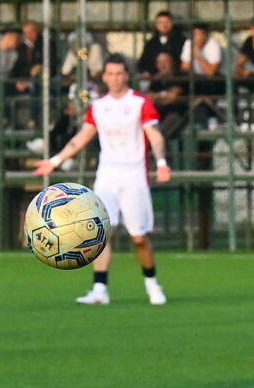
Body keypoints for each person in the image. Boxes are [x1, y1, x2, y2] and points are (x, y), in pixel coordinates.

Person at [33, 54, 171, 306]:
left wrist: (162, 163)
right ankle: (99, 289)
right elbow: (81, 138)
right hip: (106, 175)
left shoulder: (140, 103)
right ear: (104, 76)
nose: (114, 78)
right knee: (100, 233)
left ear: (126, 75)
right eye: (110, 73)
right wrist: (54, 161)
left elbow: (155, 136)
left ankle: (152, 283)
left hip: (134, 175)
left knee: (138, 237)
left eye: (119, 73)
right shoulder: (98, 106)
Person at [137, 10, 185, 79]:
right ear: (156, 25)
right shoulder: (151, 43)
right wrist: (146, 72)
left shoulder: (181, 42)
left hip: (175, 79)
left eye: (167, 22)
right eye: (160, 22)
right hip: (153, 79)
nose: (164, 25)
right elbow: (142, 64)